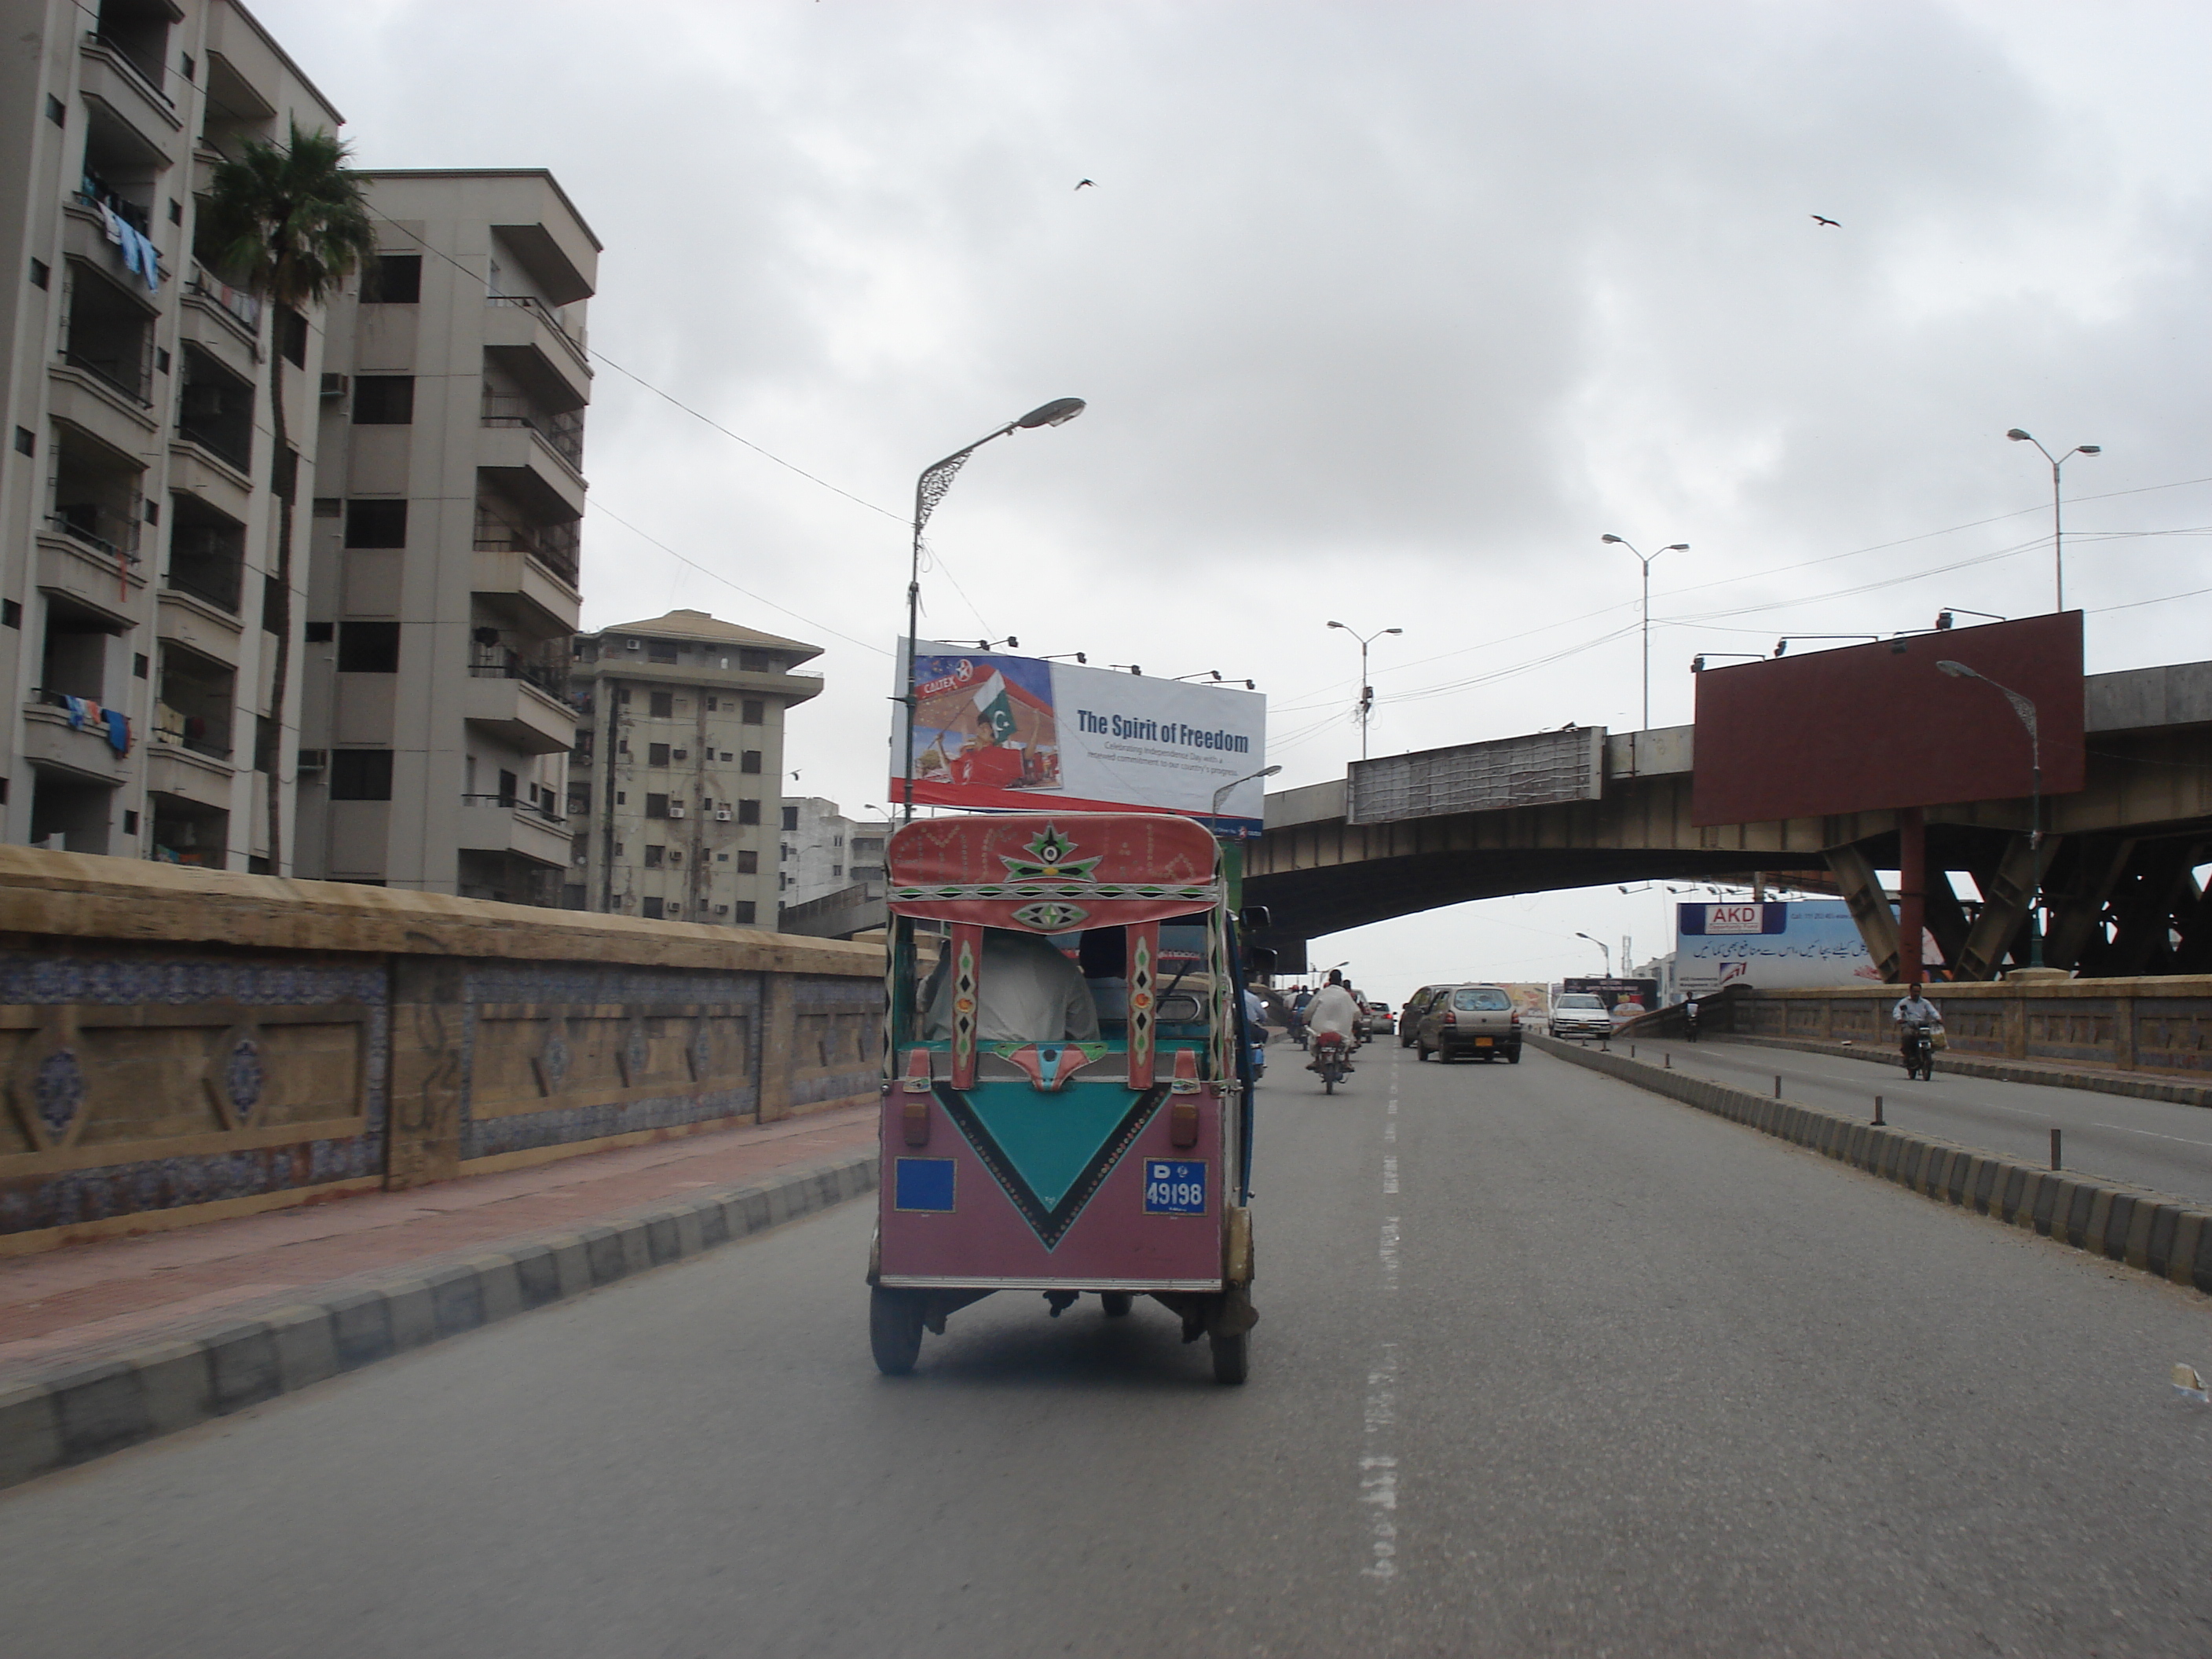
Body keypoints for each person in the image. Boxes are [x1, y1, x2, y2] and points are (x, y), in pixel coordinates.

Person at [924, 928, 1101, 1044]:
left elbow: (926, 997)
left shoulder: (960, 952)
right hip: (1026, 1069)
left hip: (947, 1057)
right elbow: (1085, 1039)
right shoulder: (1060, 964)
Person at [1304, 970, 1363, 1071]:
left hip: (1320, 1028)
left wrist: (1305, 1020)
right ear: (1341, 981)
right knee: (1348, 1038)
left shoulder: (1322, 993)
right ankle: (1346, 1061)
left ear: (1329, 979)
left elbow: (1310, 1010)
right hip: (1341, 1030)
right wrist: (1354, 1020)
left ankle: (1317, 1060)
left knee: (1315, 1038)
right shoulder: (1345, 995)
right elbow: (1356, 1012)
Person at [1891, 980, 1942, 1060]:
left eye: (1918, 992)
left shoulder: (1925, 1002)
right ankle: (1907, 1054)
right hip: (1909, 1025)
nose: (1916, 994)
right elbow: (1897, 1011)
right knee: (1908, 1035)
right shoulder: (1904, 1002)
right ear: (1910, 991)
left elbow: (1932, 1011)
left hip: (1922, 1025)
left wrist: (1938, 1018)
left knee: (1933, 1036)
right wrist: (1899, 1018)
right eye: (1915, 992)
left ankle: (1929, 1051)